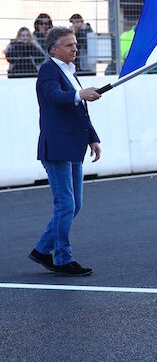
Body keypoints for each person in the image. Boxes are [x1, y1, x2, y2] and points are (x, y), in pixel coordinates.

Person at [30, 26, 102, 277]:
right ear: (54, 49)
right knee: (65, 205)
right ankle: (62, 258)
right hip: (57, 147)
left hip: (74, 146)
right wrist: (79, 93)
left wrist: (92, 137)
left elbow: (79, 109)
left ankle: (42, 250)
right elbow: (54, 97)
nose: (75, 48)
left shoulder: (70, 71)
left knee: (75, 205)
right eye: (69, 45)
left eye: (75, 44)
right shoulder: (48, 70)